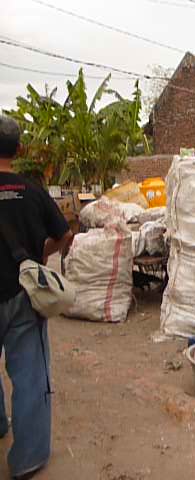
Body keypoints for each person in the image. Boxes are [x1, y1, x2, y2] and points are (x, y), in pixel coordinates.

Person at [0, 115, 72, 479]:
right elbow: (64, 232)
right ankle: (27, 459)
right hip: (23, 295)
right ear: (20, 149)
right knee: (29, 375)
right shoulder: (32, 191)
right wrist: (43, 255)